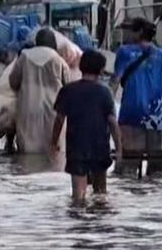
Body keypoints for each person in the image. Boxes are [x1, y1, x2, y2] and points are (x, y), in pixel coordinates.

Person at [110, 17, 162, 177]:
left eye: (132, 29)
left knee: (127, 171)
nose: (129, 33)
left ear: (140, 32)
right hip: (157, 119)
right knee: (156, 174)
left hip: (130, 118)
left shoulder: (124, 53)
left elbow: (114, 82)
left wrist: (105, 108)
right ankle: (153, 200)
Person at [52, 50, 122, 205]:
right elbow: (112, 123)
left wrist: (53, 142)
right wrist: (118, 149)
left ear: (81, 67)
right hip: (99, 147)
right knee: (101, 194)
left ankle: (79, 222)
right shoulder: (105, 92)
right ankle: (98, 220)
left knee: (78, 196)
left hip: (76, 148)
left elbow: (59, 120)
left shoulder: (68, 91)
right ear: (101, 70)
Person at [8, 28, 71, 155]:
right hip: (53, 110)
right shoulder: (58, 60)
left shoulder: (24, 56)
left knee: (27, 149)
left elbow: (13, 81)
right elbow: (68, 89)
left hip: (28, 107)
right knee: (53, 150)